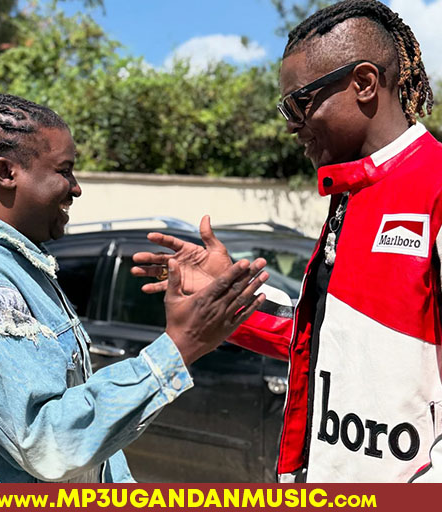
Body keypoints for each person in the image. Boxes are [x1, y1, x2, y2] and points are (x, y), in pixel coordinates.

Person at [132, 0, 442, 482]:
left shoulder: (433, 184)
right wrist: (227, 292)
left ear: (364, 83)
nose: (291, 125)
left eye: (299, 103)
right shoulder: (351, 195)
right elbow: (323, 338)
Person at [0, 89, 269, 483]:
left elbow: (83, 431)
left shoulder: (17, 264)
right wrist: (179, 346)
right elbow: (46, 442)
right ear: (7, 173)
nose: (76, 188)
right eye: (64, 170)